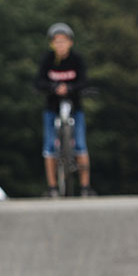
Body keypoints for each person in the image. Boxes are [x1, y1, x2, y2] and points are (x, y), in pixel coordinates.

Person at [35, 22, 95, 197]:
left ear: (70, 42)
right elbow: (38, 81)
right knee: (49, 146)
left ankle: (85, 186)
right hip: (52, 107)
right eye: (57, 41)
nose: (60, 44)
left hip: (75, 106)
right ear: (52, 43)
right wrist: (53, 87)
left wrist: (70, 88)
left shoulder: (77, 59)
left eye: (63, 41)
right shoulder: (47, 60)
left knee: (81, 145)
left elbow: (84, 80)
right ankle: (52, 187)